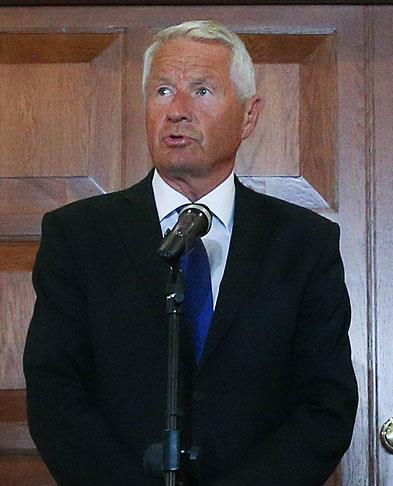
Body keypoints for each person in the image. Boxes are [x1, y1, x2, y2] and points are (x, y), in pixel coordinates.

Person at [24, 20, 358, 485]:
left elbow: (324, 405)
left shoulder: (303, 242)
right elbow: (54, 392)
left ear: (248, 116)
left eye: (202, 91)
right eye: (163, 91)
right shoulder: (79, 235)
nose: (177, 111)